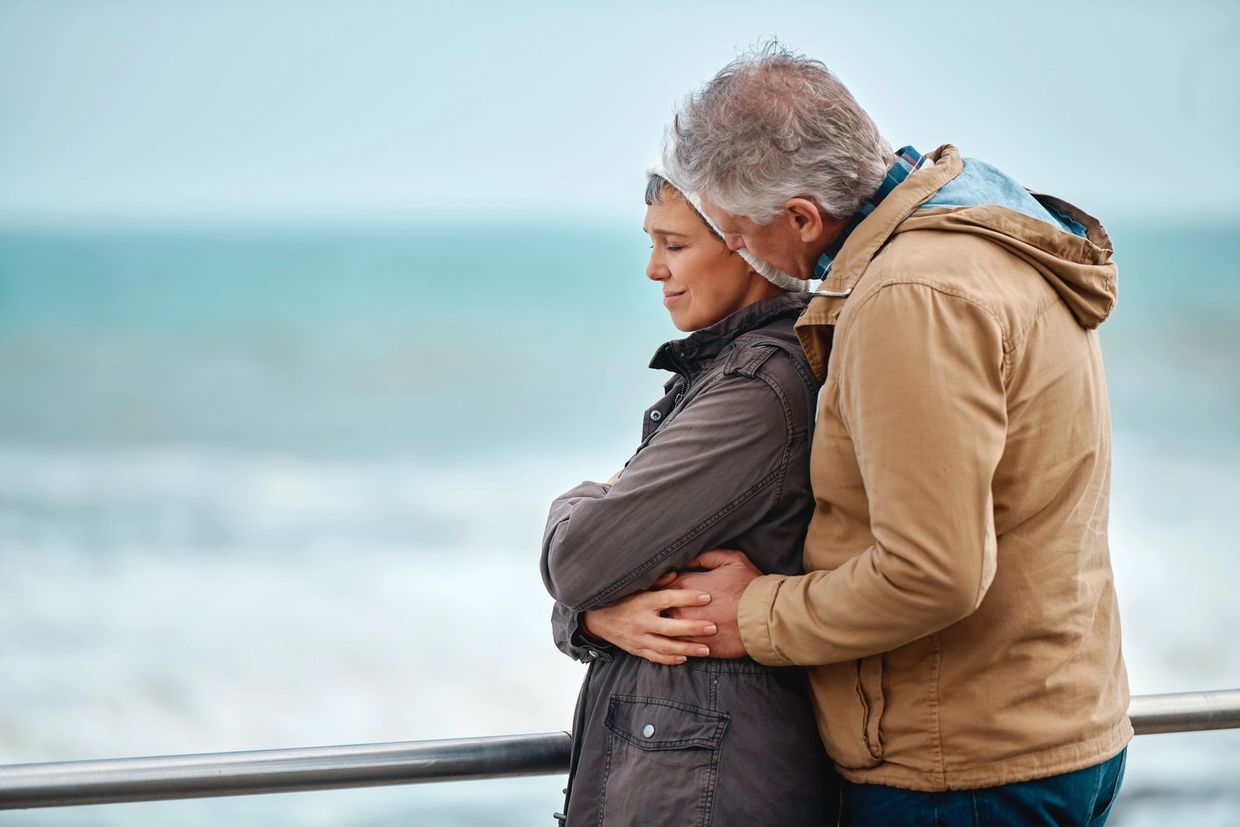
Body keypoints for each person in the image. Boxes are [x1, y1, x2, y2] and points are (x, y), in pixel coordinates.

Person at [600, 44, 1132, 826]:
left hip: (963, 770)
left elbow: (935, 572)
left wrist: (752, 614)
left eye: (740, 233)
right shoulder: (981, 230)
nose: (741, 250)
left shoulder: (910, 294)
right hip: (1046, 728)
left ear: (803, 217)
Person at [539, 156, 840, 825]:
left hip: (708, 789)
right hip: (672, 775)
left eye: (674, 245)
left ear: (746, 240)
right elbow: (591, 581)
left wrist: (581, 499)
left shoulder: (757, 389)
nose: (654, 269)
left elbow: (580, 558)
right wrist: (588, 617)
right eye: (651, 244)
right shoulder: (719, 373)